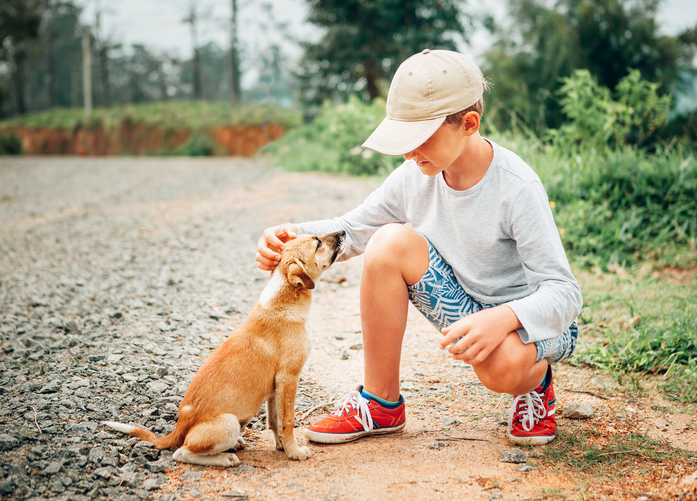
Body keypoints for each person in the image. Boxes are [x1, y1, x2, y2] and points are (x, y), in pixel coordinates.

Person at [256, 49, 582, 446]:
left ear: (468, 123)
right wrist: (290, 235)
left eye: (419, 138)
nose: (408, 152)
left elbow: (565, 294)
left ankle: (537, 385)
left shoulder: (516, 188)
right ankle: (381, 403)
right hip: (464, 308)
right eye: (402, 139)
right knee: (388, 242)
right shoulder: (415, 174)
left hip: (532, 323)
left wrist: (502, 319)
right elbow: (353, 228)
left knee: (502, 367)